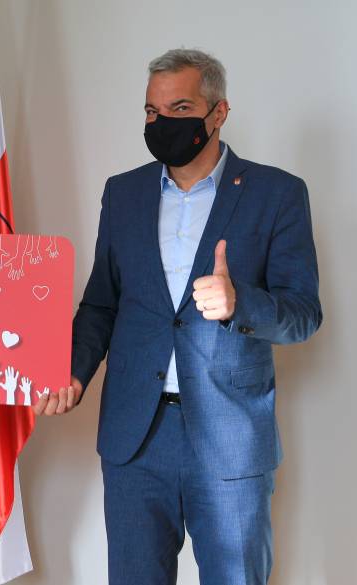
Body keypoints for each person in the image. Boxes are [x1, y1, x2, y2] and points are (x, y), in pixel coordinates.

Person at [35, 49, 322, 584]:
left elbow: (304, 313)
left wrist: (240, 303)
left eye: (180, 108)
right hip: (136, 437)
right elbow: (102, 302)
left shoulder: (278, 194)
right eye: (152, 111)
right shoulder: (124, 193)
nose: (161, 122)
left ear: (219, 112)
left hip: (231, 437)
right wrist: (73, 369)